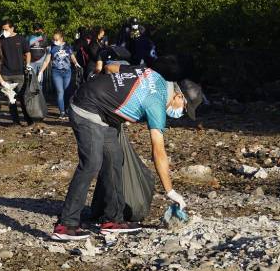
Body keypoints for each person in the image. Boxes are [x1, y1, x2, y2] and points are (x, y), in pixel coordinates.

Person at [51, 64, 200, 241]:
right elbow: (158, 152)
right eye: (184, 108)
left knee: (115, 158)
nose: (180, 113)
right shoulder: (157, 103)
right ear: (178, 96)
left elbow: (110, 67)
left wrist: (112, 95)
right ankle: (66, 225)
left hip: (103, 112)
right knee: (92, 163)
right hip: (86, 108)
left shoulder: (152, 74)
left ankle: (113, 220)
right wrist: (170, 191)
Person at [39, 31, 81, 119]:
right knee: (60, 92)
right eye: (53, 39)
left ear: (61, 38)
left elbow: (72, 56)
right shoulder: (51, 48)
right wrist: (41, 71)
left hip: (67, 72)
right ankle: (62, 112)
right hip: (56, 72)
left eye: (56, 39)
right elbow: (47, 61)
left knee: (67, 92)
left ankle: (66, 110)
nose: (54, 41)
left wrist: (76, 63)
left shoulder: (67, 46)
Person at [0, 20, 33, 126]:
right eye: (3, 29)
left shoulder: (21, 39)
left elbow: (27, 53)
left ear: (12, 28)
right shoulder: (1, 40)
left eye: (6, 29)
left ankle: (29, 120)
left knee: (23, 98)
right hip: (5, 74)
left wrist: (27, 65)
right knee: (11, 99)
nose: (4, 31)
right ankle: (15, 121)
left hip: (19, 73)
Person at [27, 24, 49, 88]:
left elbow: (48, 48)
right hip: (32, 61)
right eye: (36, 30)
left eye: (39, 29)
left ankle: (40, 94)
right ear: (33, 30)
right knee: (31, 80)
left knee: (40, 80)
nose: (37, 31)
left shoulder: (45, 37)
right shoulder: (29, 37)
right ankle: (32, 95)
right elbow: (27, 48)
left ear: (41, 30)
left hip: (42, 61)